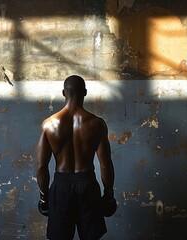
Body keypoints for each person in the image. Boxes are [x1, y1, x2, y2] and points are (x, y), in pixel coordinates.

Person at [36, 75, 116, 240]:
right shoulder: (97, 124)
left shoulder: (49, 124)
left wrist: (44, 197)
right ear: (85, 93)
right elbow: (105, 164)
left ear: (63, 93)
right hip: (87, 185)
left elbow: (41, 167)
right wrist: (108, 195)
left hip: (61, 187)